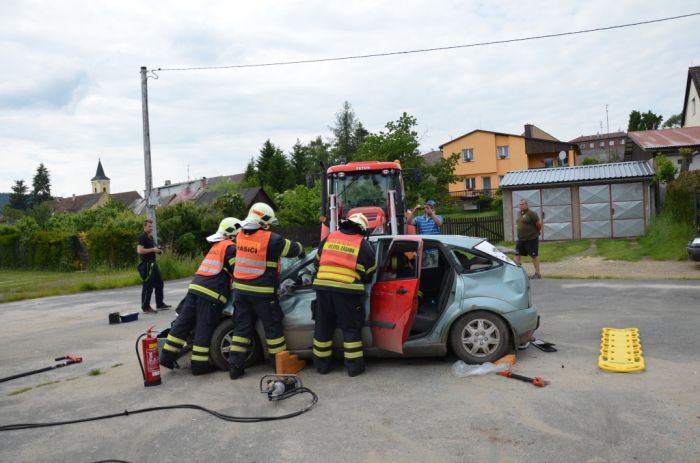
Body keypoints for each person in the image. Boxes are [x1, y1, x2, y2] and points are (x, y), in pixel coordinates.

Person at [228, 203, 305, 380]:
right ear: (263, 222)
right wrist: (302, 251)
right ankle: (277, 363)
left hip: (240, 291)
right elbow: (294, 249)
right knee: (272, 327)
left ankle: (235, 366)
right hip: (262, 293)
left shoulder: (240, 235)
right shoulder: (271, 239)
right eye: (268, 222)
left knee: (241, 328)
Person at [159, 218, 242, 375]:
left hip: (195, 289)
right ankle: (199, 365)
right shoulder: (231, 248)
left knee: (183, 323)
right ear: (233, 234)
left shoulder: (216, 246)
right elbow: (237, 272)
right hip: (211, 294)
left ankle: (166, 357)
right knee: (204, 326)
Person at [312, 213, 377, 377]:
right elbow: (370, 272)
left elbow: (316, 263)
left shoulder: (329, 238)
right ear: (362, 229)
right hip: (347, 291)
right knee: (350, 328)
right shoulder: (362, 244)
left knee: (323, 327)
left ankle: (322, 366)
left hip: (323, 289)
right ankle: (354, 368)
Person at [137, 219, 171, 313]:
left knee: (159, 283)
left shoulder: (151, 237)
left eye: (151, 226)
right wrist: (152, 250)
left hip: (153, 263)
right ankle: (146, 307)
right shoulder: (142, 237)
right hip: (146, 264)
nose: (151, 228)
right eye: (149, 226)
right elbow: (140, 251)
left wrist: (159, 250)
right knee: (148, 286)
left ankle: (159, 304)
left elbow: (154, 249)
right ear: (144, 227)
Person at [515, 199, 542, 279]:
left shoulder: (531, 213)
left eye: (523, 204)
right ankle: (517, 273)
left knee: (534, 255)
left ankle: (537, 273)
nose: (521, 206)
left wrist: (536, 232)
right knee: (517, 254)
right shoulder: (519, 213)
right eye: (520, 204)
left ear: (526, 205)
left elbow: (538, 224)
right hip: (521, 239)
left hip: (531, 238)